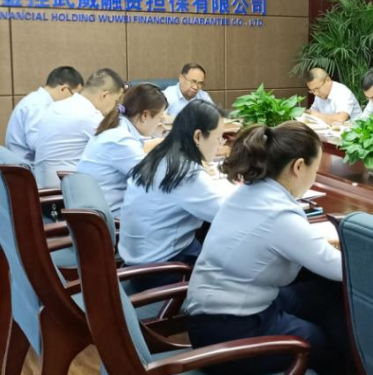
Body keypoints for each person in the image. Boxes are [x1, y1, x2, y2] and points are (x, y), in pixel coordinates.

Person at [183, 122, 348, 375]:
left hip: (213, 317)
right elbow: (340, 268)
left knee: (324, 296)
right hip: (228, 333)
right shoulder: (279, 214)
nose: (314, 177)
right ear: (298, 166)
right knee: (322, 342)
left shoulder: (250, 191)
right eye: (315, 169)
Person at [117, 100, 235, 267]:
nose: (220, 144)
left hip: (139, 256)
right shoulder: (186, 172)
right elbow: (226, 214)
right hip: (161, 268)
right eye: (219, 138)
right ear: (198, 136)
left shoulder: (162, 155)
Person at [76, 83, 168, 214]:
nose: (159, 124)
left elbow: (140, 149)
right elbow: (156, 179)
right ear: (144, 116)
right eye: (160, 119)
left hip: (100, 210)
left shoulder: (118, 127)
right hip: (111, 218)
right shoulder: (120, 139)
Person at [31, 68, 125, 188]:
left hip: (43, 185)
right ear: (105, 95)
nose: (115, 108)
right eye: (116, 101)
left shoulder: (55, 106)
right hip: (65, 190)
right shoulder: (88, 115)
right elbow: (119, 144)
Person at [4, 66, 83, 163]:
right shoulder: (37, 105)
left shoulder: (40, 101)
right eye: (75, 95)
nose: (74, 100)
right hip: (28, 166)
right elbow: (38, 144)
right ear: (64, 89)